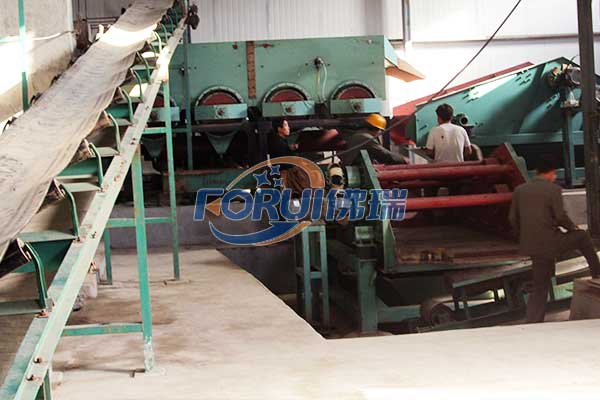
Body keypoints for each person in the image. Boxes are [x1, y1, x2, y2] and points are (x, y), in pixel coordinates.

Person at [509, 156, 600, 323]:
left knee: (540, 285)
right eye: (554, 174)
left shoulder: (519, 190)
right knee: (582, 236)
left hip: (531, 246)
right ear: (551, 173)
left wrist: (526, 235)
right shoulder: (553, 189)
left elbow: (512, 219)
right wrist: (573, 228)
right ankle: (597, 273)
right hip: (550, 243)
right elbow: (560, 216)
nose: (555, 177)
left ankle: (533, 321)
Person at [339, 114, 405, 165]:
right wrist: (403, 159)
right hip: (353, 170)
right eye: (380, 130)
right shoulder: (367, 138)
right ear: (377, 129)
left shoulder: (359, 134)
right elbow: (384, 155)